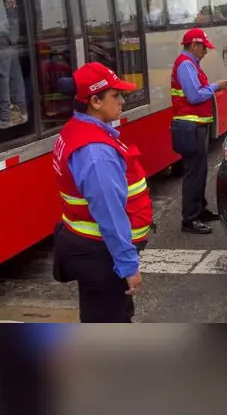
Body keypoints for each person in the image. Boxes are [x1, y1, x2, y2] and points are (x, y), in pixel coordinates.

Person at [51, 62, 153, 323]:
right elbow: (109, 213)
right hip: (101, 254)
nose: (122, 101)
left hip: (89, 249)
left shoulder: (77, 130)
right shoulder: (96, 152)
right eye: (116, 95)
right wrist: (128, 265)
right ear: (95, 100)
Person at [171, 28, 227, 234]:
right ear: (194, 45)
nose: (205, 52)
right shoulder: (186, 65)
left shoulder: (190, 64)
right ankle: (190, 219)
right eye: (204, 47)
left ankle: (200, 209)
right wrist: (216, 86)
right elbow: (194, 96)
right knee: (193, 173)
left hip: (194, 126)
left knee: (200, 170)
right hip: (190, 127)